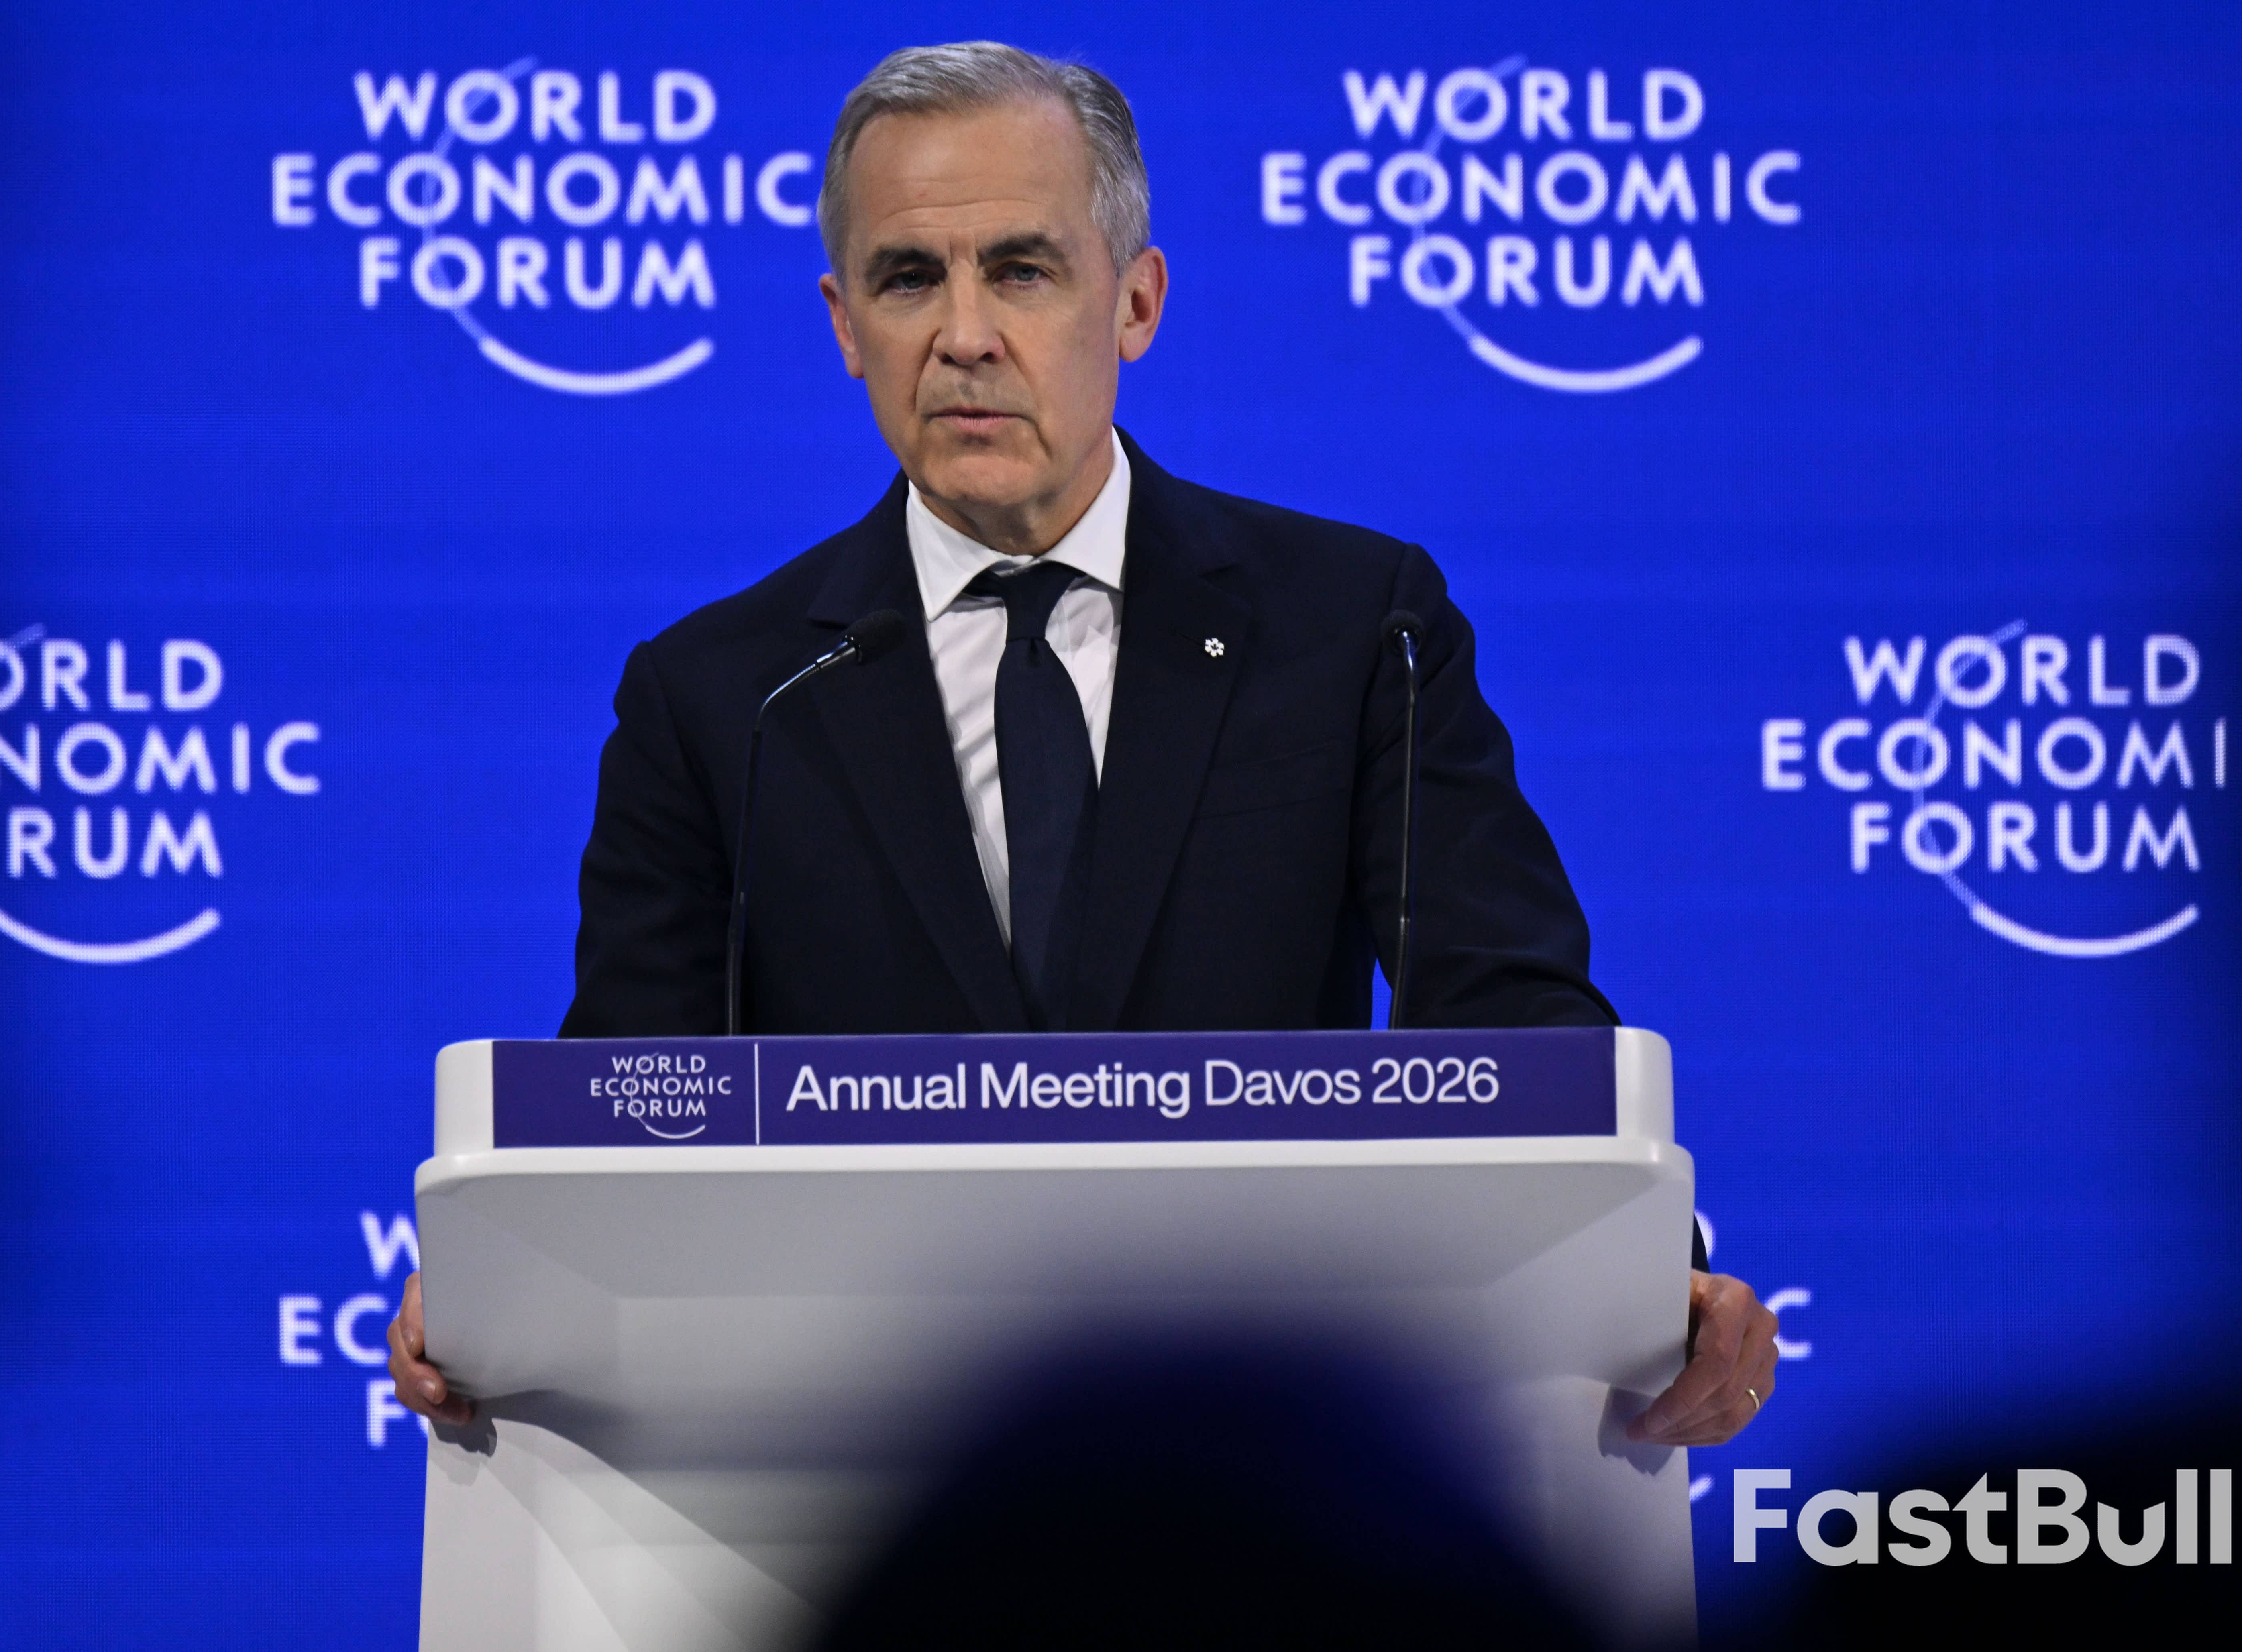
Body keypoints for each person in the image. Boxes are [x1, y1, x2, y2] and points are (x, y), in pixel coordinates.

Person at [391, 41, 1777, 1450]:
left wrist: (1645, 1276)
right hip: (857, 1462)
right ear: (844, 323)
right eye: (908, 278)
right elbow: (631, 1111)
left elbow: (1509, 1017)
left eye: (1023, 270)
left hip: (1270, 1434)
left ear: (1135, 301)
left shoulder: (1355, 626)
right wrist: (514, 1293)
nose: (965, 336)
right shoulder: (724, 696)